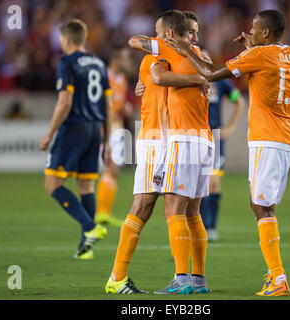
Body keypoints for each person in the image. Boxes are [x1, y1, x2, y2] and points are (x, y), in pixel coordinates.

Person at [166, 9, 290, 296]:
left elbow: (208, 73)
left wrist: (184, 49)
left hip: (267, 139)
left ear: (265, 33)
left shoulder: (257, 56)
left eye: (254, 28)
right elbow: (270, 65)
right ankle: (273, 273)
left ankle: (278, 277)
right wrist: (254, 49)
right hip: (289, 137)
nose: (250, 31)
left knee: (261, 206)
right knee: (265, 205)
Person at [105, 10, 211, 295]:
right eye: (190, 32)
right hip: (156, 138)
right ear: (173, 34)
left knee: (186, 210)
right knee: (146, 206)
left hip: (175, 138)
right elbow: (156, 77)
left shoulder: (186, 56)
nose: (194, 37)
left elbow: (159, 79)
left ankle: (191, 280)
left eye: (196, 32)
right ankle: (117, 277)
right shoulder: (159, 56)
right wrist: (198, 78)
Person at [38, 19, 112, 260]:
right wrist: (107, 140)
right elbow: (109, 105)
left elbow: (65, 102)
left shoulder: (67, 62)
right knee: (85, 186)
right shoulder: (99, 64)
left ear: (67, 40)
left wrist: (50, 133)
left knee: (53, 184)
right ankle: (85, 249)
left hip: (74, 128)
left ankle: (90, 227)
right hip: (94, 129)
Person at [200, 75, 245, 241]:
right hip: (195, 135)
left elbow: (238, 100)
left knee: (213, 182)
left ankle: (210, 227)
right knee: (199, 184)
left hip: (215, 138)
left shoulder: (220, 82)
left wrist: (231, 126)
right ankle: (201, 227)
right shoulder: (189, 79)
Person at [94, 48, 133, 227]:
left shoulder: (122, 80)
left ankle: (104, 213)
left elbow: (116, 102)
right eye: (125, 58)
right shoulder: (103, 77)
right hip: (103, 127)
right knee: (111, 167)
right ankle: (101, 213)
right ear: (115, 59)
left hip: (116, 127)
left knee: (113, 169)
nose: (128, 62)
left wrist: (124, 106)